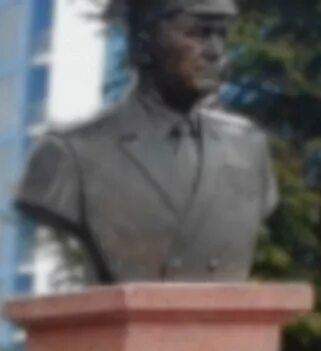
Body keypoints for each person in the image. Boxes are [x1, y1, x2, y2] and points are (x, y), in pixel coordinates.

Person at [16, 0, 277, 286]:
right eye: (197, 34)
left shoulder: (249, 149)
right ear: (143, 46)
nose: (216, 52)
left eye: (221, 35)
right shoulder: (70, 155)